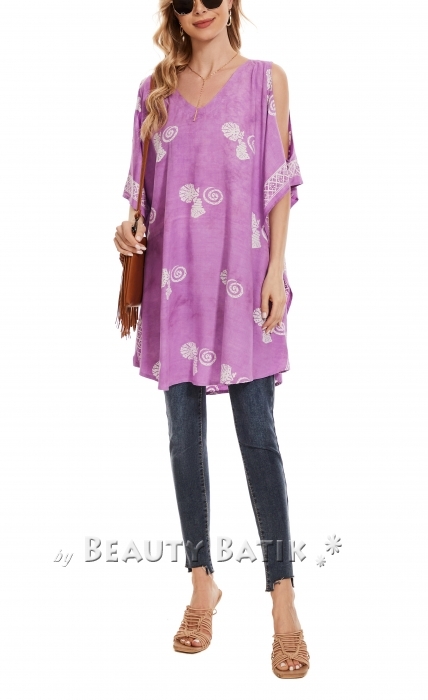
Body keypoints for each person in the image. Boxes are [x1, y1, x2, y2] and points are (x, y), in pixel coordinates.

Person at [113, 0, 309, 679]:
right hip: (175, 285)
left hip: (244, 279)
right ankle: (202, 584)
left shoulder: (266, 80)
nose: (199, 8)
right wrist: (125, 233)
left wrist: (276, 271)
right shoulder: (154, 90)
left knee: (259, 436)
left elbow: (279, 187)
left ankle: (283, 598)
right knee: (183, 438)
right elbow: (141, 204)